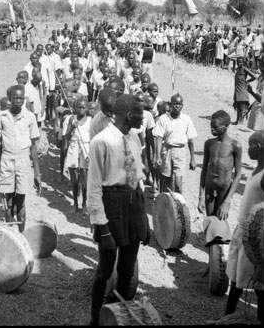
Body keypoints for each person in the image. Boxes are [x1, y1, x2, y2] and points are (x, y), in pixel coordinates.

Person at [87, 94, 149, 326]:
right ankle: (95, 320)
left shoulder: (133, 136)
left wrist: (143, 218)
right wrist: (103, 228)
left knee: (126, 270)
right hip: (111, 206)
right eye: (141, 113)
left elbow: (138, 177)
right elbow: (93, 188)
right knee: (104, 270)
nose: (144, 117)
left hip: (133, 204)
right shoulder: (101, 142)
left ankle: (119, 317)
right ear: (130, 115)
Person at [223, 131, 264, 324]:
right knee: (237, 277)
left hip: (255, 238)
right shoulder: (256, 170)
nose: (247, 149)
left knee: (258, 282)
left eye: (250, 145)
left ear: (259, 147)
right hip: (242, 232)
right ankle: (226, 316)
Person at [0, 85, 41, 232]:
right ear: (9, 99)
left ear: (24, 99)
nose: (18, 101)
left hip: (23, 160)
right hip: (7, 160)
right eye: (14, 98)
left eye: (21, 98)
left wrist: (37, 173)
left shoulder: (29, 117)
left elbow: (34, 146)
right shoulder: (1, 117)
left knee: (20, 202)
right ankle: (11, 236)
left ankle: (21, 235)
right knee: (8, 203)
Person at [197, 110, 242, 219]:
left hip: (224, 188)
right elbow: (204, 170)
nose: (212, 129)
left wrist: (227, 201)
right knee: (210, 219)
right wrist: (201, 196)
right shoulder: (209, 144)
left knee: (221, 221)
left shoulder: (235, 146)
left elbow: (238, 175)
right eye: (211, 126)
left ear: (226, 126)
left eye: (215, 127)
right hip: (209, 186)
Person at [152, 93, 197, 194]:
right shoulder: (163, 119)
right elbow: (159, 138)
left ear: (182, 105)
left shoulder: (186, 119)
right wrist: (158, 156)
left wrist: (192, 159)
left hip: (180, 152)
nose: (177, 106)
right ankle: (164, 203)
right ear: (171, 104)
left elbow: (190, 141)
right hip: (167, 150)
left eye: (180, 104)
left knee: (178, 184)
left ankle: (178, 204)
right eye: (175, 104)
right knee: (165, 181)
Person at [62, 96, 91, 214]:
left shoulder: (91, 120)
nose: (81, 110)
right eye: (78, 107)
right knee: (74, 179)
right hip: (74, 147)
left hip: (86, 148)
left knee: (85, 179)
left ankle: (84, 203)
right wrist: (72, 128)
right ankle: (75, 203)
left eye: (83, 107)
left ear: (87, 108)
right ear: (74, 108)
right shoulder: (70, 119)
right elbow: (66, 137)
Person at [233, 57, 256, 125]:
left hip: (243, 88)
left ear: (243, 62)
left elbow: (254, 76)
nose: (238, 63)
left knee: (242, 104)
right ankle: (237, 120)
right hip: (237, 88)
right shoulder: (237, 69)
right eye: (237, 62)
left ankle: (241, 121)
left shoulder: (244, 69)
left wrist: (247, 81)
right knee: (238, 104)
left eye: (240, 62)